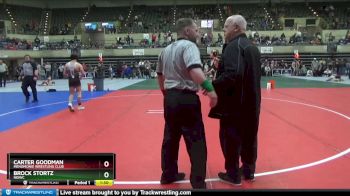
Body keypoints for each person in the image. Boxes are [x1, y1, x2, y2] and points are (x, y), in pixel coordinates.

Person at [156, 18, 218, 189]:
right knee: (196, 140)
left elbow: (159, 75)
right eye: (196, 30)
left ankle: (168, 175)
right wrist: (210, 89)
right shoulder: (189, 46)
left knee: (170, 138)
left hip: (170, 98)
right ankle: (198, 182)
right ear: (187, 32)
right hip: (186, 99)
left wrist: (165, 93)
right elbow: (194, 70)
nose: (199, 33)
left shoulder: (166, 49)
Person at [210, 15, 261, 185]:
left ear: (236, 28)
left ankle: (232, 174)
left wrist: (212, 84)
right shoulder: (252, 47)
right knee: (250, 137)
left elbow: (234, 75)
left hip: (235, 104)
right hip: (252, 102)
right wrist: (221, 65)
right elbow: (244, 71)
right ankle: (248, 171)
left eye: (226, 26)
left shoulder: (233, 46)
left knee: (229, 138)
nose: (223, 30)